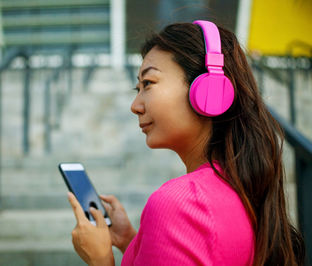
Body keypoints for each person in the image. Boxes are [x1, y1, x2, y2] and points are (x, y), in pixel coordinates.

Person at [67, 20, 305, 266]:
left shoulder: (179, 203)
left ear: (209, 90)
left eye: (148, 84)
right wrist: (132, 241)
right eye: (137, 88)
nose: (135, 106)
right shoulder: (242, 188)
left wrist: (101, 260)